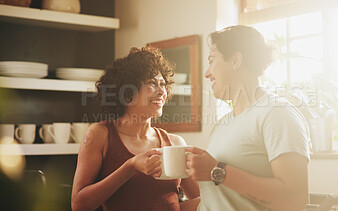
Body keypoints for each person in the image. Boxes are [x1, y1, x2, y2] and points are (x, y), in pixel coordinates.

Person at [183, 25, 311, 211]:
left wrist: (218, 171)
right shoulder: (222, 125)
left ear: (235, 60)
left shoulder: (277, 113)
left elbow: (294, 200)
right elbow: (219, 201)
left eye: (212, 60)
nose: (207, 73)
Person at [71, 46, 199, 211]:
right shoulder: (100, 134)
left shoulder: (175, 143)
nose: (162, 91)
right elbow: (79, 205)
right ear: (128, 92)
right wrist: (130, 166)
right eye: (152, 83)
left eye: (163, 84)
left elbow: (200, 200)